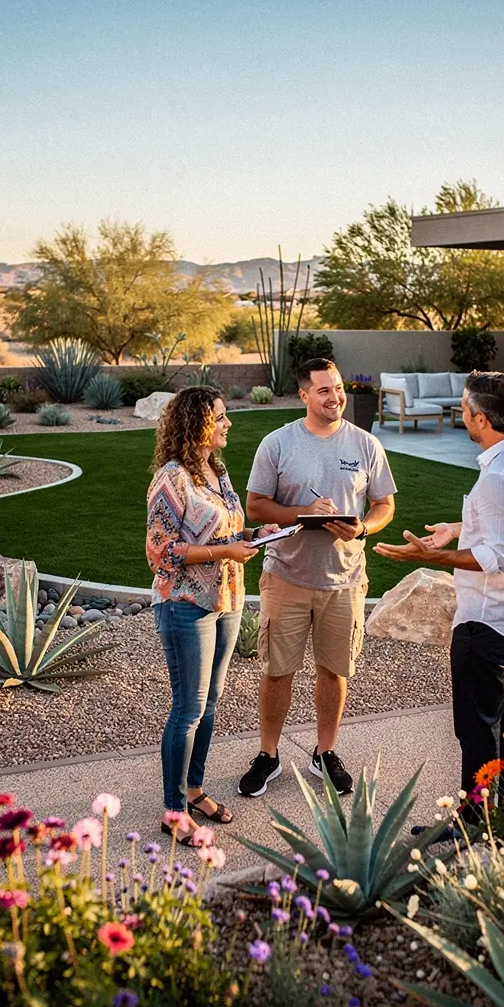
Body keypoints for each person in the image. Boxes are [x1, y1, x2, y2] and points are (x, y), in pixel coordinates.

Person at [374, 371, 504, 824]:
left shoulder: (498, 478)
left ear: (479, 418)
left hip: (488, 622)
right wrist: (458, 528)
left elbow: (496, 557)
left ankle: (475, 824)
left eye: (465, 410)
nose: (462, 415)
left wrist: (432, 558)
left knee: (477, 729)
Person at [238, 357, 396, 797]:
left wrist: (364, 526)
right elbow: (256, 505)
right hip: (286, 576)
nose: (335, 397)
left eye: (339, 388)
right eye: (324, 390)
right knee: (277, 671)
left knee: (334, 671)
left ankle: (325, 753)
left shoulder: (366, 444)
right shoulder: (278, 443)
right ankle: (268, 755)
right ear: (304, 395)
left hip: (344, 580)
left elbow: (384, 504)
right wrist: (300, 513)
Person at [147, 386, 279, 845]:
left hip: (225, 602)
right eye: (220, 417)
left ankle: (195, 788)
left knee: (210, 703)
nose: (228, 424)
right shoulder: (171, 478)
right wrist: (226, 549)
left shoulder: (216, 471)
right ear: (197, 423)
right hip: (185, 604)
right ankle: (172, 809)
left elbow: (224, 529)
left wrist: (256, 533)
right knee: (187, 708)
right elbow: (161, 552)